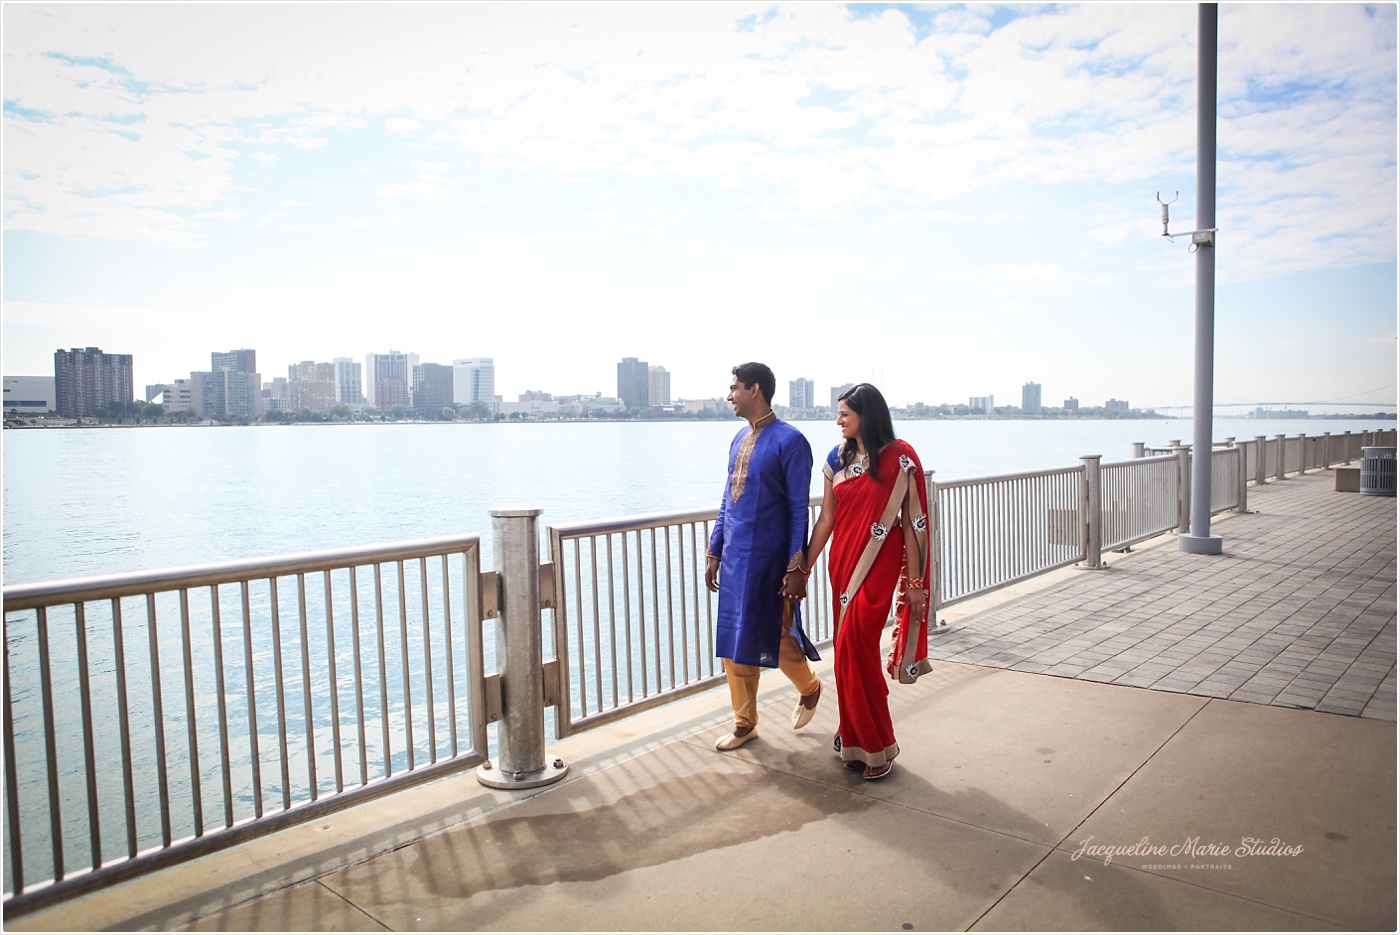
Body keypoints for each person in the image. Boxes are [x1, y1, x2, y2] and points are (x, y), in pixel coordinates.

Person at [803, 383, 932, 780]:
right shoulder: (835, 458)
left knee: (857, 645)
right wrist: (803, 566)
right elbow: (826, 519)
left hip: (878, 562)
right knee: (845, 653)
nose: (838, 420)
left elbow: (913, 522)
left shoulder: (900, 457)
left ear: (866, 414)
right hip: (842, 564)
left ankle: (877, 745)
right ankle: (853, 736)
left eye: (844, 413)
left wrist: (914, 580)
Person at [706, 362, 823, 751]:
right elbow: (727, 499)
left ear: (755, 389)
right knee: (734, 637)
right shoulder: (738, 439)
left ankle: (809, 687)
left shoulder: (791, 442)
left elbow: (797, 509)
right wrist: (715, 549)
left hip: (771, 562)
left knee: (777, 633)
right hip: (737, 560)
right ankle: (744, 722)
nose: (729, 395)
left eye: (735, 387)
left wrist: (796, 566)